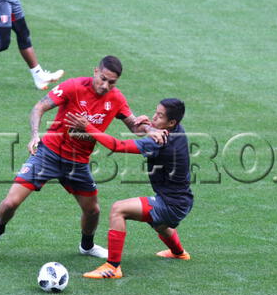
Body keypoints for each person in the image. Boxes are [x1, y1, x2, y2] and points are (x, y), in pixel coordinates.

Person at [0, 56, 167, 259]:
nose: (105, 86)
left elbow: (133, 124)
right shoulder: (73, 86)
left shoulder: (116, 99)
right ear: (95, 71)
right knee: (10, 203)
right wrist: (34, 135)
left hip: (77, 162)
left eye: (111, 82)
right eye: (102, 79)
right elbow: (38, 108)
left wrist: (148, 129)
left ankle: (87, 246)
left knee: (93, 211)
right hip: (48, 154)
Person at [64, 98, 193, 279]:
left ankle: (113, 266)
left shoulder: (160, 142)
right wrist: (149, 126)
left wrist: (89, 127)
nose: (154, 117)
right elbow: (154, 132)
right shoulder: (177, 130)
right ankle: (179, 253)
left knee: (119, 209)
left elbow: (117, 146)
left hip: (172, 204)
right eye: (155, 112)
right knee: (159, 222)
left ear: (171, 122)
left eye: (160, 116)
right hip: (182, 201)